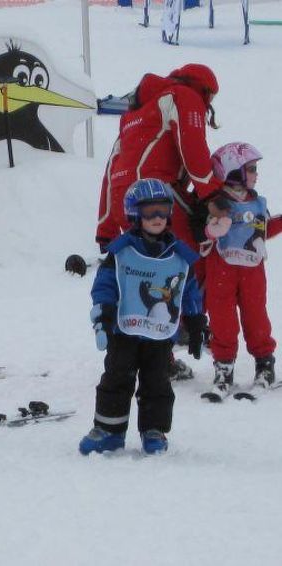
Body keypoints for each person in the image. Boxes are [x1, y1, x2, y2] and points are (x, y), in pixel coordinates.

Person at [95, 63, 223, 381]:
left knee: (144, 271)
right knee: (188, 260)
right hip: (159, 192)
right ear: (204, 90)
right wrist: (211, 196)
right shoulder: (183, 96)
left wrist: (107, 224)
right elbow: (194, 149)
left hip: (128, 200)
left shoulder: (134, 114)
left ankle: (147, 346)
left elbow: (113, 168)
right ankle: (180, 333)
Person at [80, 179, 205, 455]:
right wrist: (104, 314)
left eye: (163, 210)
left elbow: (189, 288)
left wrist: (196, 321)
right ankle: (110, 429)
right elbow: (105, 284)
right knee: (116, 378)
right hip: (124, 331)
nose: (158, 218)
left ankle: (154, 430)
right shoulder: (121, 252)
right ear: (136, 214)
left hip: (159, 333)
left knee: (157, 381)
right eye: (150, 212)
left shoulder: (178, 254)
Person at [200, 142, 282, 398]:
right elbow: (202, 233)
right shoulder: (216, 201)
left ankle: (264, 365)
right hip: (221, 269)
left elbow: (264, 229)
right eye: (251, 169)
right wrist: (213, 230)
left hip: (252, 271)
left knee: (255, 315)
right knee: (222, 319)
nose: (256, 174)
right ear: (233, 171)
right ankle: (223, 369)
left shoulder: (257, 203)